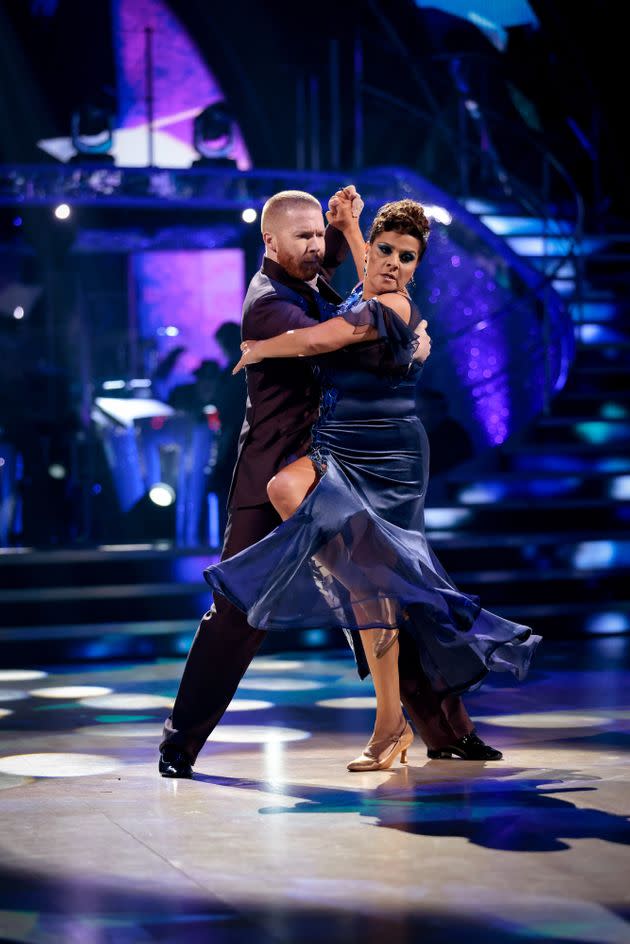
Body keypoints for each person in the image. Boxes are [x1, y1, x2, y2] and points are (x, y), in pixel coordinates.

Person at [159, 188, 502, 779]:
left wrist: (362, 248)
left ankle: (446, 731)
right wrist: (404, 326)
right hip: (274, 474)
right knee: (237, 613)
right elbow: (340, 331)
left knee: (387, 584)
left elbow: (372, 290)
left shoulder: (312, 278)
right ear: (270, 241)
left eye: (321, 236)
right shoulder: (268, 302)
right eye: (304, 237)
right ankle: (179, 742)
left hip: (339, 463)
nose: (317, 247)